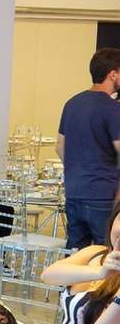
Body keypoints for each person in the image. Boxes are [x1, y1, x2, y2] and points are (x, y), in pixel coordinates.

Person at [56, 48, 120, 249]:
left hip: (74, 191)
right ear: (113, 74)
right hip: (102, 193)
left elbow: (59, 147)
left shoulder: (71, 104)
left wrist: (78, 169)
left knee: (76, 254)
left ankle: (70, 283)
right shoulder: (112, 109)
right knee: (107, 253)